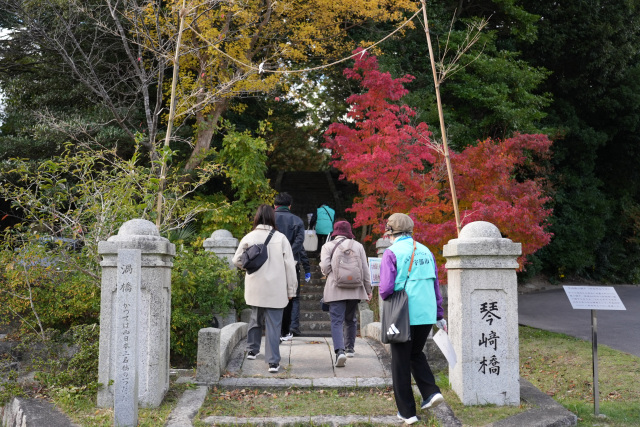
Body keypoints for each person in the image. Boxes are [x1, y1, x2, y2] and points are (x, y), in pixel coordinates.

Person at [379, 213, 447, 424]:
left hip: (403, 312)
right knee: (415, 353)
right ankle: (430, 392)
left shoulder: (391, 253)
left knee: (400, 361)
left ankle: (407, 412)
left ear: (390, 232)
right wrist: (439, 314)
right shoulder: (426, 250)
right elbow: (435, 284)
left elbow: (386, 289)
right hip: (426, 312)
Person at [232, 204, 298, 373]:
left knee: (255, 317)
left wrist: (249, 267)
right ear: (272, 218)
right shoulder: (281, 238)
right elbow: (290, 266)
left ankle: (253, 350)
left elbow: (237, 260)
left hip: (255, 287)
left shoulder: (249, 236)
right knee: (274, 325)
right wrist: (291, 290)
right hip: (276, 289)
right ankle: (273, 362)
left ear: (257, 217)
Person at [319, 220, 372, 367]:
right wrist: (368, 290)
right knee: (351, 318)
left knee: (336, 320)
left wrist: (331, 273)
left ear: (335, 232)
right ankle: (350, 348)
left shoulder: (327, 246)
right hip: (355, 288)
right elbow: (365, 269)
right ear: (349, 232)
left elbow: (324, 266)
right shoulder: (358, 246)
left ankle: (339, 351)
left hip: (335, 288)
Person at [274, 192, 311, 339]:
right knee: (293, 296)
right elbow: (299, 242)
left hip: (272, 264)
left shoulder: (269, 219)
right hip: (292, 264)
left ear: (275, 205)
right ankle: (290, 328)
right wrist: (288, 254)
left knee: (274, 295)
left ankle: (274, 328)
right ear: (290, 206)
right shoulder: (297, 220)